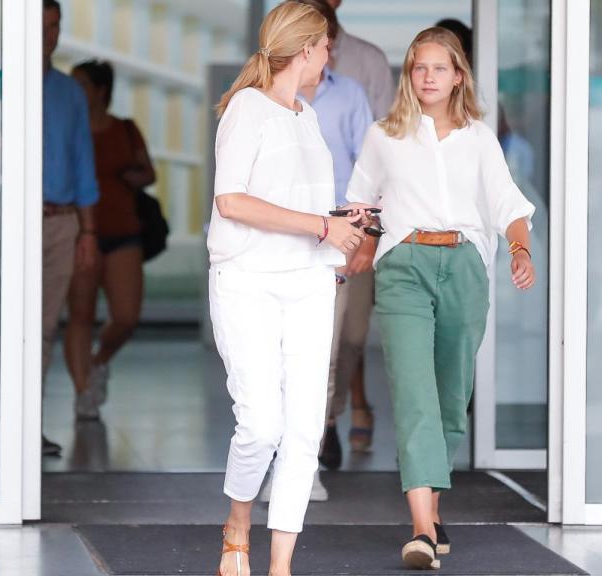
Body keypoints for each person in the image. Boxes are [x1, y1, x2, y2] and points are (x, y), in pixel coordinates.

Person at [346, 27, 535, 570]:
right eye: (418, 67)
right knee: (414, 393)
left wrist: (519, 250)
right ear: (409, 75)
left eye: (438, 68)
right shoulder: (384, 134)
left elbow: (507, 203)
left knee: (452, 398)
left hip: (465, 267)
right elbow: (361, 204)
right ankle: (422, 529)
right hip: (404, 266)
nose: (427, 77)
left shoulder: (479, 137)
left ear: (458, 76)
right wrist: (355, 246)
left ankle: (433, 506)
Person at [208, 3, 372, 574]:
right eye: (326, 46)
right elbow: (232, 201)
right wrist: (322, 225)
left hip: (308, 281)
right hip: (248, 283)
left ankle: (280, 565)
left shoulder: (306, 116)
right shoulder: (246, 110)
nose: (330, 55)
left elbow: (297, 206)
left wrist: (340, 218)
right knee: (261, 424)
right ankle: (237, 525)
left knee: (304, 428)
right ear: (306, 50)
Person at [315, 0, 394, 470]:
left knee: (351, 337)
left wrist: (369, 232)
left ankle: (328, 417)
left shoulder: (357, 77)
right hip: (297, 229)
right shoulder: (270, 82)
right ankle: (313, 435)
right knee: (313, 343)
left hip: (351, 224)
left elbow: (383, 153)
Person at [63, 59, 156, 421]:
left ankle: (99, 361)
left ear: (101, 90)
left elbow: (149, 171)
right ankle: (83, 393)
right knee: (80, 316)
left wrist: (132, 178)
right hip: (80, 232)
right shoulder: (69, 130)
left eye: (82, 84)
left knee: (127, 316)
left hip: (123, 232)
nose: (76, 91)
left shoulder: (124, 129)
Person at [42, 0, 99, 456]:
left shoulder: (68, 93)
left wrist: (88, 232)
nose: (48, 35)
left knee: (43, 328)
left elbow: (84, 164)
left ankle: (29, 424)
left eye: (55, 26)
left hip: (60, 222)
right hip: (7, 222)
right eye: (41, 26)